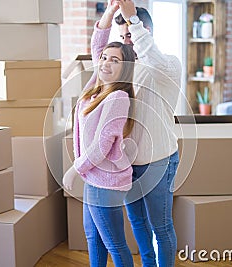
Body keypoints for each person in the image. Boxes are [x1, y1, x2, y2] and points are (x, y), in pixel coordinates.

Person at [88, 1, 182, 266]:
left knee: (161, 226)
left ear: (147, 31)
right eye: (122, 38)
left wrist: (132, 19)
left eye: (130, 36)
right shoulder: (120, 71)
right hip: (127, 164)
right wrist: (109, 13)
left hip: (158, 161)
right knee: (138, 221)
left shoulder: (166, 66)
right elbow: (99, 51)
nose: (126, 43)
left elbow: (151, 56)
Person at [62, 41, 136, 267]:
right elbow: (97, 43)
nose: (105, 63)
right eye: (104, 58)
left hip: (106, 182)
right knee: (94, 239)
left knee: (114, 243)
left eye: (115, 60)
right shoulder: (97, 89)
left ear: (125, 68)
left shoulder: (118, 97)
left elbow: (102, 145)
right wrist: (110, 11)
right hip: (93, 177)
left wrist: (74, 171)